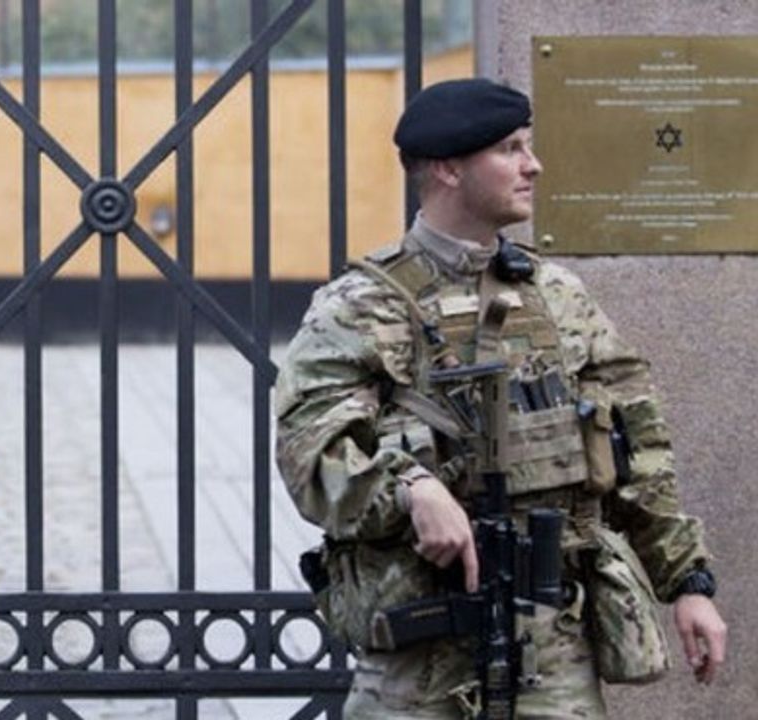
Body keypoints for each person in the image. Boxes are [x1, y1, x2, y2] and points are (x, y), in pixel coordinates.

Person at [275, 79, 726, 718]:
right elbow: (309, 450)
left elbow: (638, 447)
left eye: (528, 146)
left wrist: (688, 582)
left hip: (555, 645)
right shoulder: (359, 306)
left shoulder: (558, 297)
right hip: (419, 650)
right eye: (510, 149)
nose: (532, 165)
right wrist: (410, 488)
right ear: (448, 168)